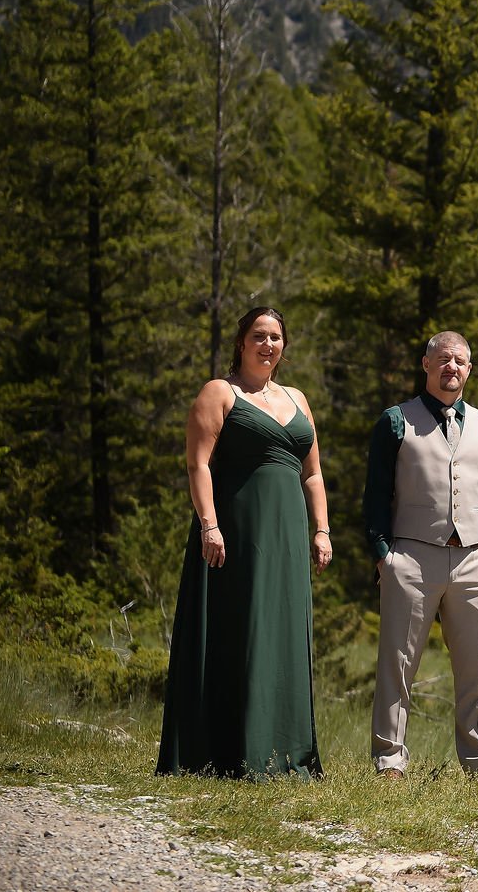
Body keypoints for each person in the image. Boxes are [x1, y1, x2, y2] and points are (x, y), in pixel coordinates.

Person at [159, 306, 330, 778]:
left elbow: (313, 473)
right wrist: (209, 525)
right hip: (237, 533)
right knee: (241, 628)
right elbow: (198, 465)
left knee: (284, 631)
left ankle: (285, 752)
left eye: (276, 337)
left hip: (288, 539)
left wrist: (321, 529)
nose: (268, 344)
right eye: (259, 336)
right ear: (242, 342)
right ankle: (230, 750)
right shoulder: (220, 392)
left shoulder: (297, 398)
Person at [364, 330, 478, 778]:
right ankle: (390, 760)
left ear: (469, 369)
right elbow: (375, 495)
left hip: (476, 559)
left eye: (461, 361)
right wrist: (383, 554)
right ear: (426, 364)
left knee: (477, 669)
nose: (452, 367)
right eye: (444, 359)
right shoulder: (396, 420)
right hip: (411, 556)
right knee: (398, 663)